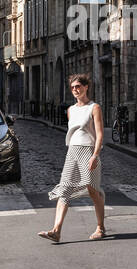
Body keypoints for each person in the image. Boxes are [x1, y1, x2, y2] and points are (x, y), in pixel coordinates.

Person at [39, 74, 106, 243]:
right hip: (72, 152)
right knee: (65, 189)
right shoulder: (70, 110)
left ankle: (100, 227)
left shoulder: (94, 107)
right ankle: (56, 231)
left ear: (86, 87)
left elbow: (99, 135)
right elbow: (73, 133)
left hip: (88, 151)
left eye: (78, 86)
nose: (76, 90)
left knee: (92, 190)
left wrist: (95, 155)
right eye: (73, 87)